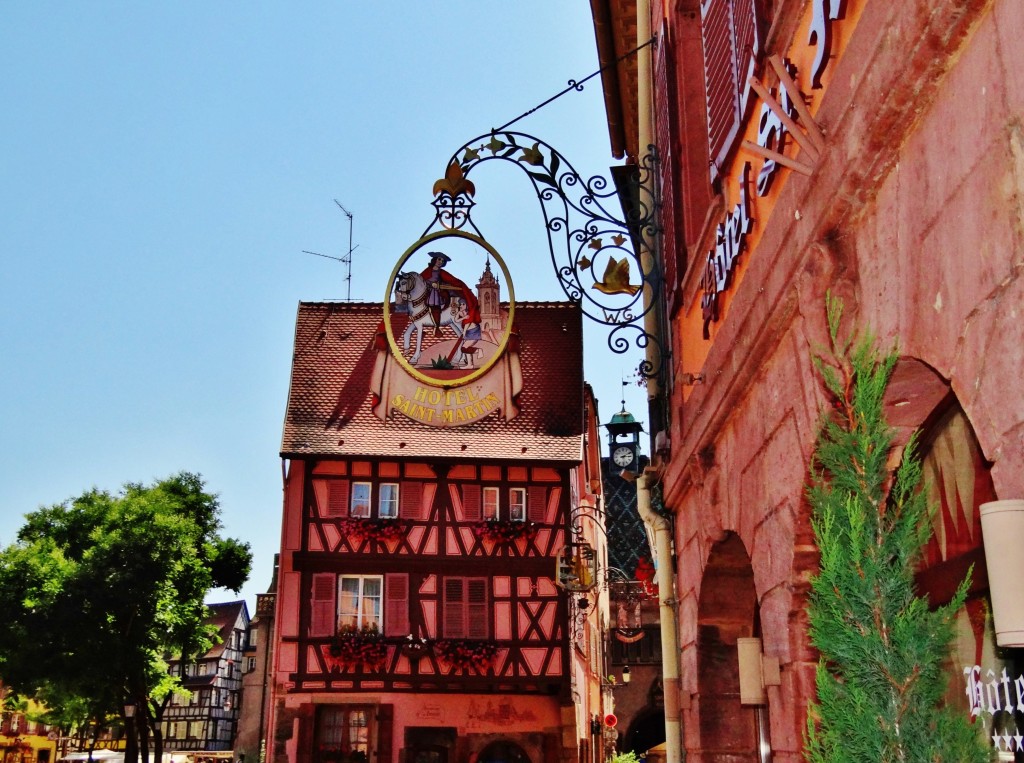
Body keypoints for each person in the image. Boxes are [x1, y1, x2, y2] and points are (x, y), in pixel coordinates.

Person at [419, 252, 478, 337]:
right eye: (439, 259)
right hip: (425, 292)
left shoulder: (441, 272)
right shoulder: (427, 271)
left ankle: (437, 326)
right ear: (435, 259)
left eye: (442, 261)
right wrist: (429, 284)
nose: (440, 262)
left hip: (435, 293)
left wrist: (460, 285)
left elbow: (452, 280)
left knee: (435, 306)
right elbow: (420, 280)